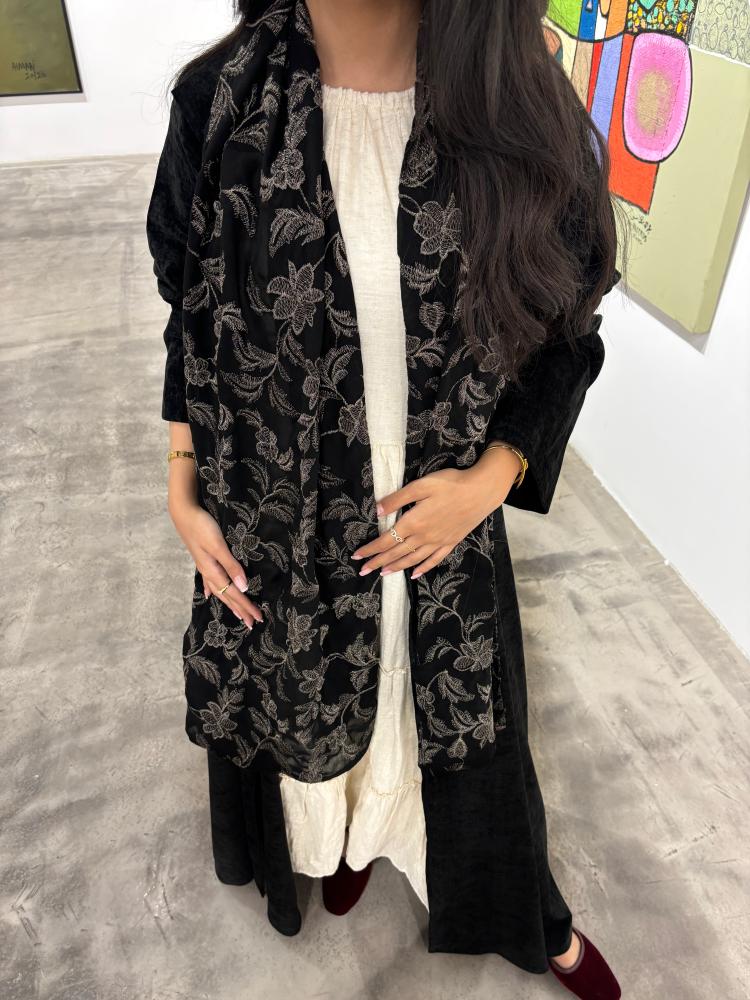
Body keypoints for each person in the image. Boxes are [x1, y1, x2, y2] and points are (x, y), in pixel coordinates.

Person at [146, 2, 624, 997]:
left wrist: (489, 481)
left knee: (452, 717)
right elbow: (190, 314)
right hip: (283, 526)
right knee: (313, 703)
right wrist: (182, 480)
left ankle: (527, 912)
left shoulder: (510, 98)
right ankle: (351, 836)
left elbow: (569, 332)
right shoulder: (222, 100)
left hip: (439, 528)